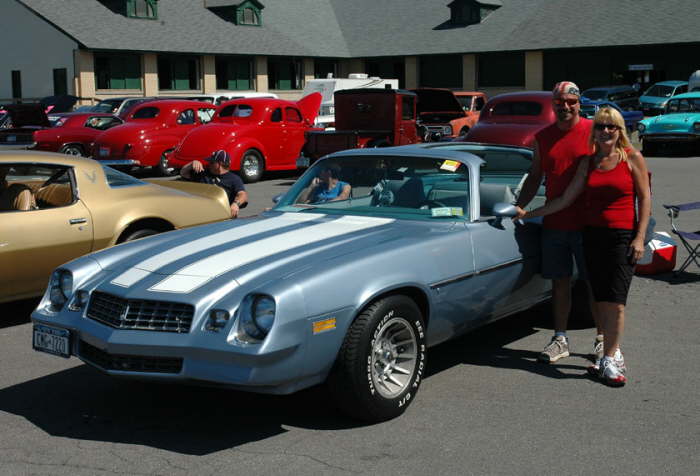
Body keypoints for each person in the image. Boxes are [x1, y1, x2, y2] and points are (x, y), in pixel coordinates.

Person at [514, 106, 651, 386]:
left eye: (611, 126)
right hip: (592, 235)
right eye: (600, 126)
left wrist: (639, 237)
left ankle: (611, 357)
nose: (605, 131)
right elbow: (566, 198)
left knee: (616, 302)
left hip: (621, 237)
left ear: (620, 130)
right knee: (600, 299)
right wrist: (529, 213)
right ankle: (609, 356)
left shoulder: (632, 158)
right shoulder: (589, 162)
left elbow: (645, 199)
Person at [514, 81, 602, 364]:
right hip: (556, 222)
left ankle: (602, 340)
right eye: (559, 102)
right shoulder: (543, 137)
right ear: (553, 105)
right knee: (560, 283)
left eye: (570, 102)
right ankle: (560, 339)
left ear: (579, 103)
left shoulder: (594, 131)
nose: (565, 107)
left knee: (594, 283)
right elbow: (535, 175)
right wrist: (521, 205)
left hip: (589, 223)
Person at [181, 150, 248, 218]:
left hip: (224, 216)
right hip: (201, 214)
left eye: (211, 162)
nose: (208, 164)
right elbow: (183, 173)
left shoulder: (234, 179)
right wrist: (192, 164)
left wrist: (236, 204)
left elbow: (243, 194)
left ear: (219, 164)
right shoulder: (203, 173)